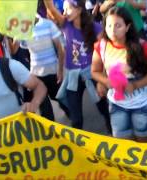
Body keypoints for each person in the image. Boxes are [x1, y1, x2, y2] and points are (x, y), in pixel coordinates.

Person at [44, 0, 112, 134]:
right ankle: (80, 149)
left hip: (92, 73)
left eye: (67, 9)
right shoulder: (66, 25)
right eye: (63, 10)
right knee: (76, 120)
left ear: (79, 9)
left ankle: (116, 138)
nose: (64, 13)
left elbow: (105, 55)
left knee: (105, 111)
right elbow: (51, 9)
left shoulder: (95, 27)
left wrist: (102, 80)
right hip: (73, 75)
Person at [91, 7, 147, 142]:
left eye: (118, 25)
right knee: (123, 144)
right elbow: (95, 71)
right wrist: (105, 81)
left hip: (142, 103)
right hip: (117, 104)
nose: (113, 30)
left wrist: (135, 84)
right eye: (109, 25)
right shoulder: (101, 46)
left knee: (142, 142)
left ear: (127, 27)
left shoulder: (142, 46)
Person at [21, 15, 69, 121]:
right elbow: (21, 50)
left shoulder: (48, 24)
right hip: (36, 75)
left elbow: (60, 49)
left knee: (63, 100)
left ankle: (76, 126)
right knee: (45, 111)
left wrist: (60, 70)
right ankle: (52, 134)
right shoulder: (23, 29)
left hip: (53, 72)